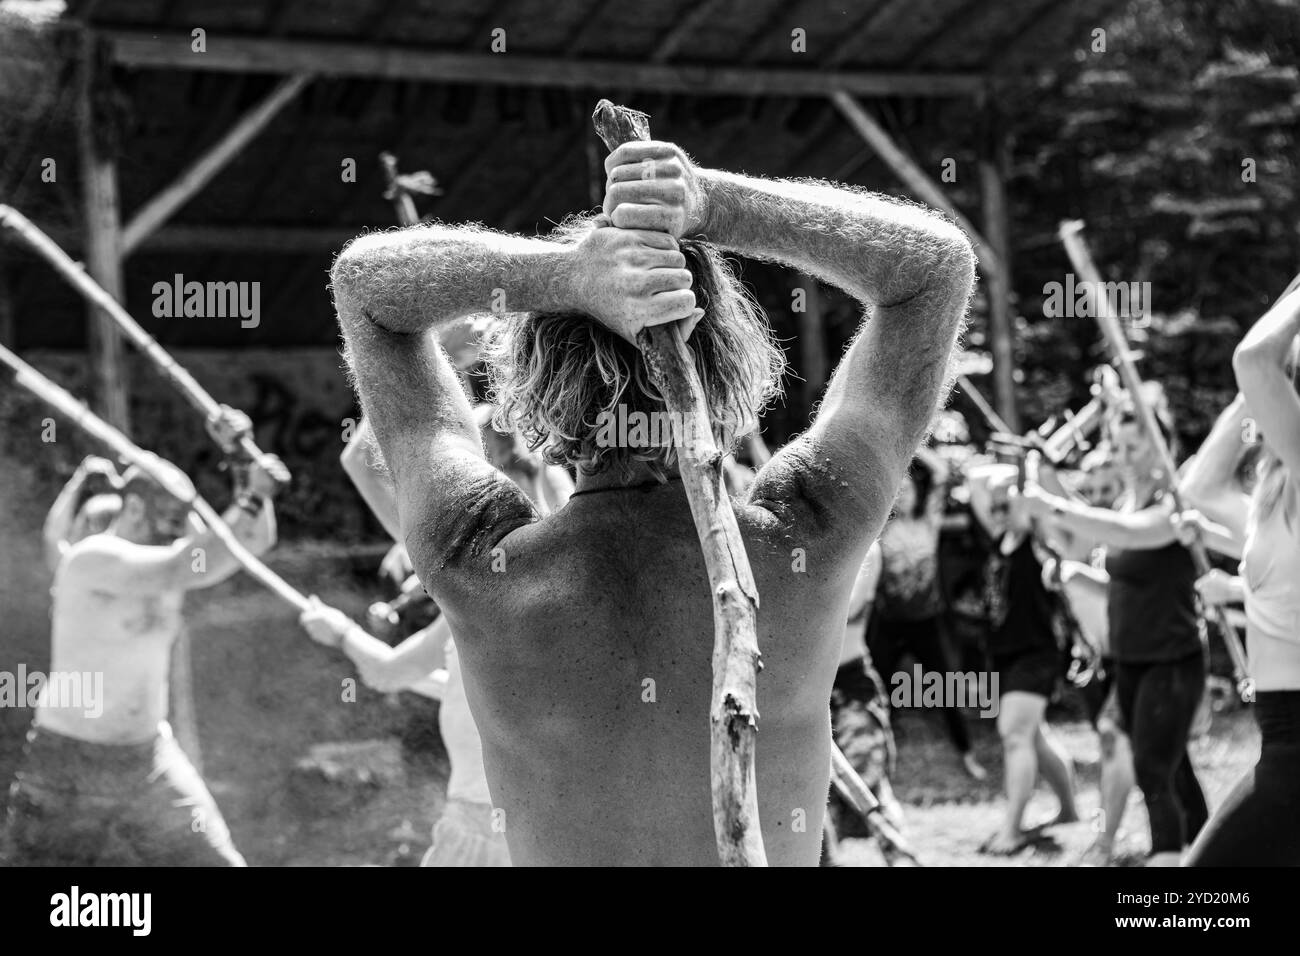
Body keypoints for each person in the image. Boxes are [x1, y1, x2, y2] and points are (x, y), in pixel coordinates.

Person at [329, 138, 976, 865]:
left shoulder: (476, 560)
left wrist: (562, 276)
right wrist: (714, 204)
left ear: (536, 381)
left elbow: (365, 288)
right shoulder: (809, 534)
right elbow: (933, 270)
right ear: (732, 363)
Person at [0, 409, 280, 867]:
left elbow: (250, 543)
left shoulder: (167, 545)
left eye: (180, 521)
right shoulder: (93, 558)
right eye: (169, 520)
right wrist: (250, 496)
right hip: (68, 765)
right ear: (133, 508)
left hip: (148, 761)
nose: (177, 531)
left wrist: (241, 459)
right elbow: (186, 563)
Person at [303, 409, 571, 866]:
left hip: (485, 833)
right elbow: (462, 691)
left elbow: (389, 673)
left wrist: (340, 633)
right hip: (555, 832)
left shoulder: (483, 580)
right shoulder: (563, 578)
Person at [1022, 406, 1209, 866]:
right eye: (1118, 446)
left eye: (1134, 446)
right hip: (1131, 659)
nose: (1123, 457)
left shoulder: (1176, 502)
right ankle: (1206, 849)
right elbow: (1120, 587)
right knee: (1171, 764)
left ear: (1161, 444)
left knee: (1152, 768)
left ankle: (1168, 860)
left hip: (1171, 658)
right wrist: (1074, 573)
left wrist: (1052, 504)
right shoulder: (1127, 501)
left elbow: (1126, 532)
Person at [1179, 276, 1300, 866]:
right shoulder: (1277, 498)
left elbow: (1254, 359)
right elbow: (1198, 486)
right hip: (1280, 736)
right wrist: (1241, 401)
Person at [967, 462, 1078, 854]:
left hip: (1038, 653)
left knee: (1015, 733)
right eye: (994, 506)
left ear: (1025, 503)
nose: (997, 511)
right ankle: (1068, 811)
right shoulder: (1001, 539)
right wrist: (1004, 480)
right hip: (1005, 657)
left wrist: (1029, 475)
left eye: (1005, 504)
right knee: (1034, 736)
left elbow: (1065, 528)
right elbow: (974, 479)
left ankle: (1012, 831)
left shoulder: (1038, 539)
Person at [869, 445, 986, 779]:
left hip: (926, 622)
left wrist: (911, 443)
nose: (904, 496)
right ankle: (877, 765)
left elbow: (942, 473)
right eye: (898, 492)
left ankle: (967, 756)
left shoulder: (929, 522)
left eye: (909, 490)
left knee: (946, 689)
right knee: (876, 691)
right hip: (889, 622)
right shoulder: (880, 528)